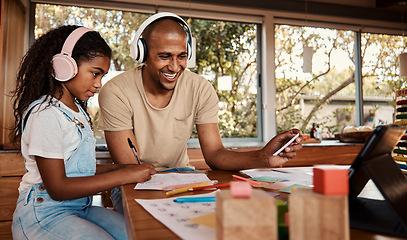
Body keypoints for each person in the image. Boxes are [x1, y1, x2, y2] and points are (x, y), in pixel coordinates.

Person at [98, 12, 303, 213]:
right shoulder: (116, 91)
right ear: (142, 54)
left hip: (183, 176)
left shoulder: (200, 88)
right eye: (164, 56)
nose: (175, 66)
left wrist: (263, 157)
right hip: (132, 180)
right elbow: (129, 168)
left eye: (182, 56)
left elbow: (215, 154)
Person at [11, 25, 156, 240]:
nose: (98, 84)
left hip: (78, 207)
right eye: (95, 73)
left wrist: (122, 167)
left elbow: (78, 170)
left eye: (102, 76)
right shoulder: (46, 114)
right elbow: (58, 187)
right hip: (44, 214)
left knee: (136, 233)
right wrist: (123, 175)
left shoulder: (76, 111)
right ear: (64, 65)